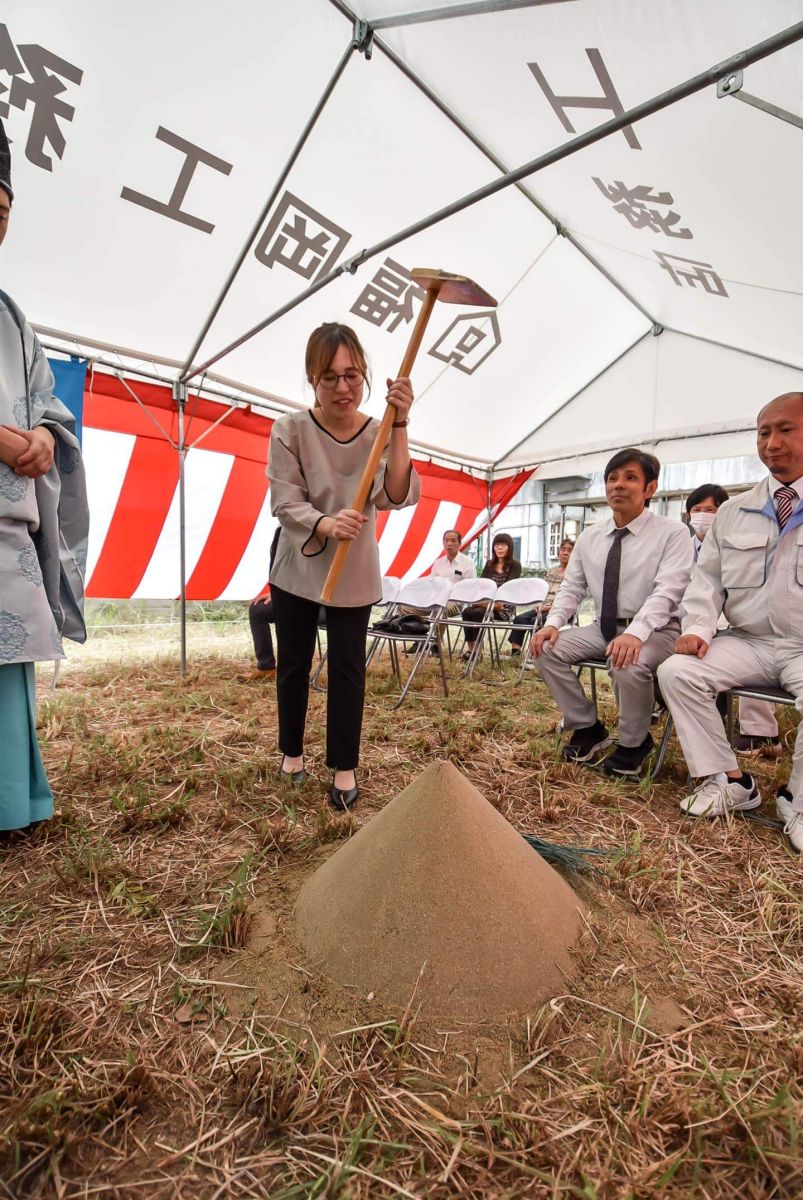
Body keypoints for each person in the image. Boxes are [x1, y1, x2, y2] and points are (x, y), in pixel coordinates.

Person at [268, 322, 419, 810]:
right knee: (293, 663)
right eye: (329, 377)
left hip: (353, 569)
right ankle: (292, 753)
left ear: (365, 376)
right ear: (312, 378)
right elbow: (285, 500)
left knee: (349, 668)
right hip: (299, 562)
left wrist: (400, 424)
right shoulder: (289, 429)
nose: (342, 387)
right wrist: (326, 523)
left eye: (352, 375)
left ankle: (344, 766)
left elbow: (396, 492)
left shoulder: (378, 432)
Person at [657, 393, 803, 853]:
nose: (772, 443)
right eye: (764, 432)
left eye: (786, 430)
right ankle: (730, 780)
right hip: (749, 640)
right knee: (676, 671)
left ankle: (797, 800)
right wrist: (697, 627)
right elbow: (707, 581)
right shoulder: (735, 511)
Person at [0, 118, 88, 833]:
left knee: (8, 674)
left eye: (0, 214)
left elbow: (50, 406)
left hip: (10, 527)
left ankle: (14, 804)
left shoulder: (13, 318)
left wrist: (42, 440)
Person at [532, 448, 692, 778]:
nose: (618, 485)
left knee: (628, 662)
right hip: (604, 627)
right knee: (544, 649)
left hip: (658, 630)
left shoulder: (672, 533)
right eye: (612, 478)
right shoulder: (591, 537)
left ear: (650, 488)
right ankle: (587, 726)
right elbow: (572, 587)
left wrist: (637, 632)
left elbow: (669, 590)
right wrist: (553, 624)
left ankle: (634, 742)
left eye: (630, 478)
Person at [686, 483, 781, 758]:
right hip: (695, 622)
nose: (703, 515)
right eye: (697, 509)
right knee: (681, 667)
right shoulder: (684, 545)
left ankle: (760, 732)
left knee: (754, 641)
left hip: (739, 624)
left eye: (710, 510)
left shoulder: (740, 535)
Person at [460, 532, 522, 658]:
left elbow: (509, 588)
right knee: (467, 611)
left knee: (478, 613)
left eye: (503, 545)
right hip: (486, 602)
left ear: (509, 547)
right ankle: (471, 649)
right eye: (497, 545)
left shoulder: (515, 565)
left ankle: (478, 652)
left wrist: (491, 602)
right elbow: (482, 584)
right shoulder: (489, 564)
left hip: (503, 605)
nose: (499, 548)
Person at [509, 537, 574, 656]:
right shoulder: (551, 571)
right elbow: (542, 590)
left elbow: (570, 598)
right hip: (542, 607)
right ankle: (515, 653)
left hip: (561, 611)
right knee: (519, 619)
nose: (565, 552)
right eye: (563, 549)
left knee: (536, 620)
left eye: (569, 550)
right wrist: (539, 604)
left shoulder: (574, 573)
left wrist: (548, 608)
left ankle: (537, 654)